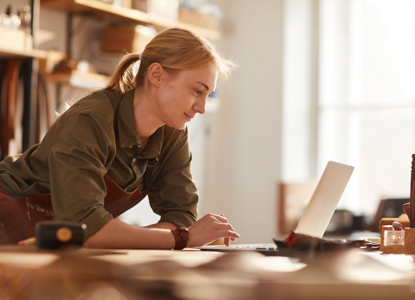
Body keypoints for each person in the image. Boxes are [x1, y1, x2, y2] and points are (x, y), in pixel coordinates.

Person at [0, 27, 240, 249]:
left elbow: (181, 218)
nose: (202, 108)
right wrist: (181, 238)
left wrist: (172, 237)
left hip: (58, 240)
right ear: (156, 75)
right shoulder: (91, 120)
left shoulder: (172, 134)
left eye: (207, 94)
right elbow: (86, 227)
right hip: (7, 218)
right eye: (197, 91)